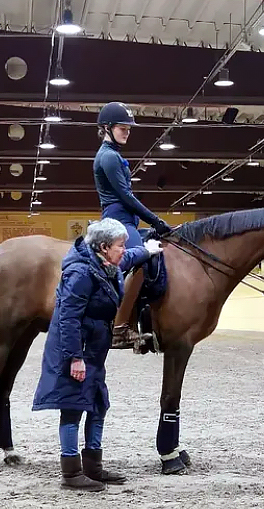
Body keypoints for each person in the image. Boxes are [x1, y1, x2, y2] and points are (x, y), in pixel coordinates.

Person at [32, 218, 163, 491]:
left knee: (97, 404)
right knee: (73, 407)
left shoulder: (107, 264)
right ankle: (70, 473)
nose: (123, 250)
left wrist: (148, 250)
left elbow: (127, 258)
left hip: (93, 349)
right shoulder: (80, 273)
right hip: (75, 349)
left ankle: (93, 465)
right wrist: (74, 358)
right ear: (103, 247)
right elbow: (68, 318)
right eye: (119, 245)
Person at [93, 101, 171, 349]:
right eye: (122, 127)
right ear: (107, 127)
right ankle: (119, 328)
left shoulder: (114, 155)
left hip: (126, 219)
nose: (127, 132)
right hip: (118, 219)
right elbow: (126, 196)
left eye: (128, 128)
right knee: (140, 258)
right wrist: (156, 220)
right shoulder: (108, 157)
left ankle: (145, 318)